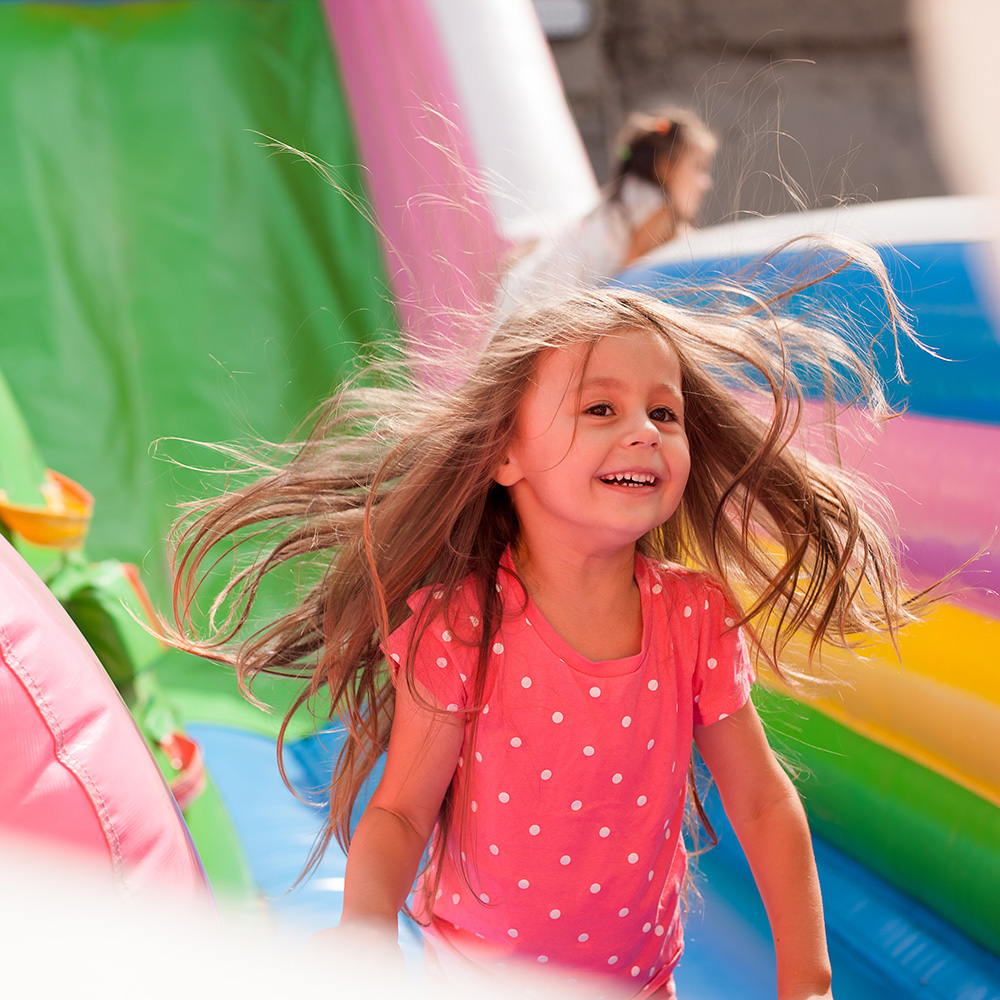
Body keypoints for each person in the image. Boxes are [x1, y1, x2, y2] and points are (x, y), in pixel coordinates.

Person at [166, 262, 923, 999]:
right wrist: (366, 928)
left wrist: (808, 979)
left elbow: (760, 801)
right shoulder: (464, 626)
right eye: (602, 409)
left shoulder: (693, 619)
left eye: (665, 413)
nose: (645, 433)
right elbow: (400, 809)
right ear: (505, 453)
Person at [497, 109, 716, 312]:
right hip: (551, 302)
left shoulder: (628, 194)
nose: (706, 182)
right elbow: (632, 279)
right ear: (664, 166)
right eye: (698, 168)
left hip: (528, 292)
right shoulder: (656, 205)